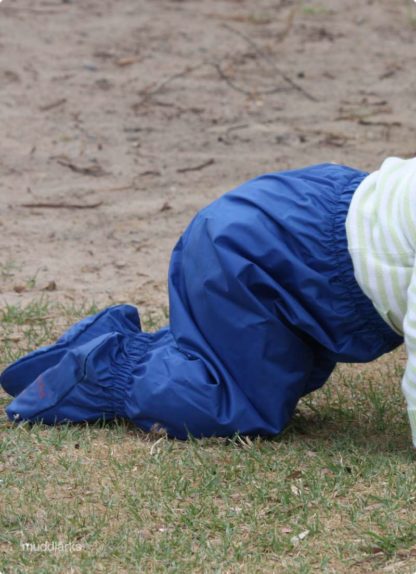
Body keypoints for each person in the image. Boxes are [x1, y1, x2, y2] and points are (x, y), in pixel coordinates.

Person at [1, 158, 414, 446]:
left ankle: (163, 346)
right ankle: (110, 367)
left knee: (269, 370)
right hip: (256, 250)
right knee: (237, 405)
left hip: (298, 227)